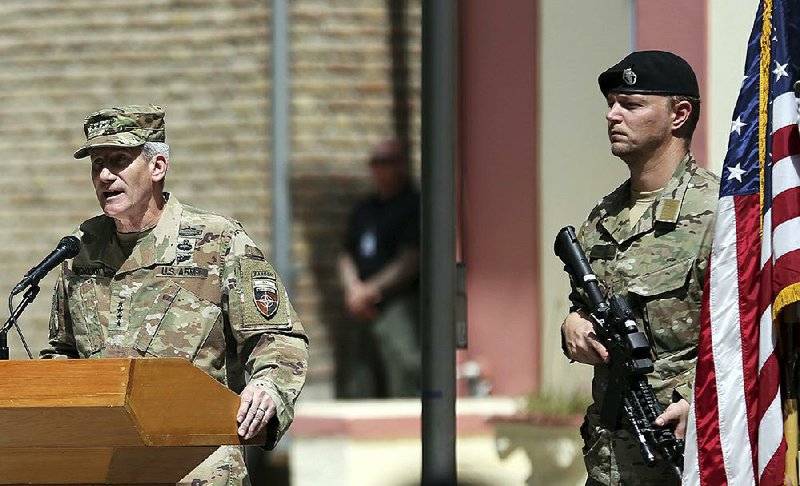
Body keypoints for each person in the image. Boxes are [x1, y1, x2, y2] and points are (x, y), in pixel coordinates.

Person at [39, 104, 309, 486]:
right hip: (105, 467)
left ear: (157, 167)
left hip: (197, 467)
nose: (104, 175)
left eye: (119, 160)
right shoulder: (81, 248)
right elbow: (63, 351)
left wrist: (266, 387)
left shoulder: (217, 241)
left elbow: (279, 339)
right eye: (97, 162)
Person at [559, 51, 719, 485]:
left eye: (631, 104)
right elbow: (585, 304)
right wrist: (574, 325)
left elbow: (747, 335)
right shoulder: (603, 218)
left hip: (686, 458)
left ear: (679, 114)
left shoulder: (718, 215)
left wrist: (700, 401)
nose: (613, 115)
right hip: (608, 463)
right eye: (612, 104)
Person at [337, 138, 421, 398]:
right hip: (362, 306)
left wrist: (371, 290)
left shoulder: (414, 205)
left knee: (404, 369)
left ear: (402, 166)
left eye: (387, 162)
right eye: (376, 162)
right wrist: (353, 290)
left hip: (400, 304)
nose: (380, 169)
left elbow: (412, 259)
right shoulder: (366, 208)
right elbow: (346, 254)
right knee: (359, 376)